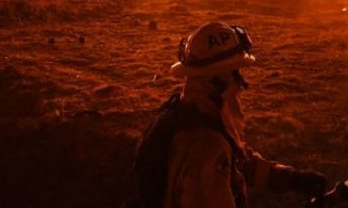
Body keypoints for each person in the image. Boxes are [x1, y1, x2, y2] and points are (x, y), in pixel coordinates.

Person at [134, 22, 327, 208]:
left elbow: (237, 162)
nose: (239, 83)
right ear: (218, 78)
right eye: (236, 72)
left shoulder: (192, 112)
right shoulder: (206, 147)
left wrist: (288, 177)